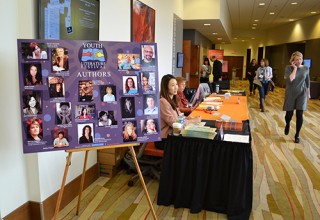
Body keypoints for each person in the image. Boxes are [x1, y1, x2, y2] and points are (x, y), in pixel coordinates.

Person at [283, 51, 310, 143]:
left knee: (299, 114)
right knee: (288, 115)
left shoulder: (306, 68)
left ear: (302, 59)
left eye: (300, 59)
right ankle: (287, 124)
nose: (298, 61)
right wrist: (294, 68)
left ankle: (297, 134)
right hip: (290, 93)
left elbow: (307, 81)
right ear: (293, 60)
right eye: (296, 60)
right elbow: (290, 79)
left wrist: (308, 93)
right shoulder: (288, 68)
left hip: (302, 93)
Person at [157, 74, 181, 149]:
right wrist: (189, 122)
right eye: (173, 85)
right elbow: (172, 122)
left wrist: (191, 119)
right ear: (166, 87)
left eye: (176, 84)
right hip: (164, 139)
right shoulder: (162, 101)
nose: (176, 87)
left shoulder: (172, 100)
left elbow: (180, 117)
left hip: (173, 136)